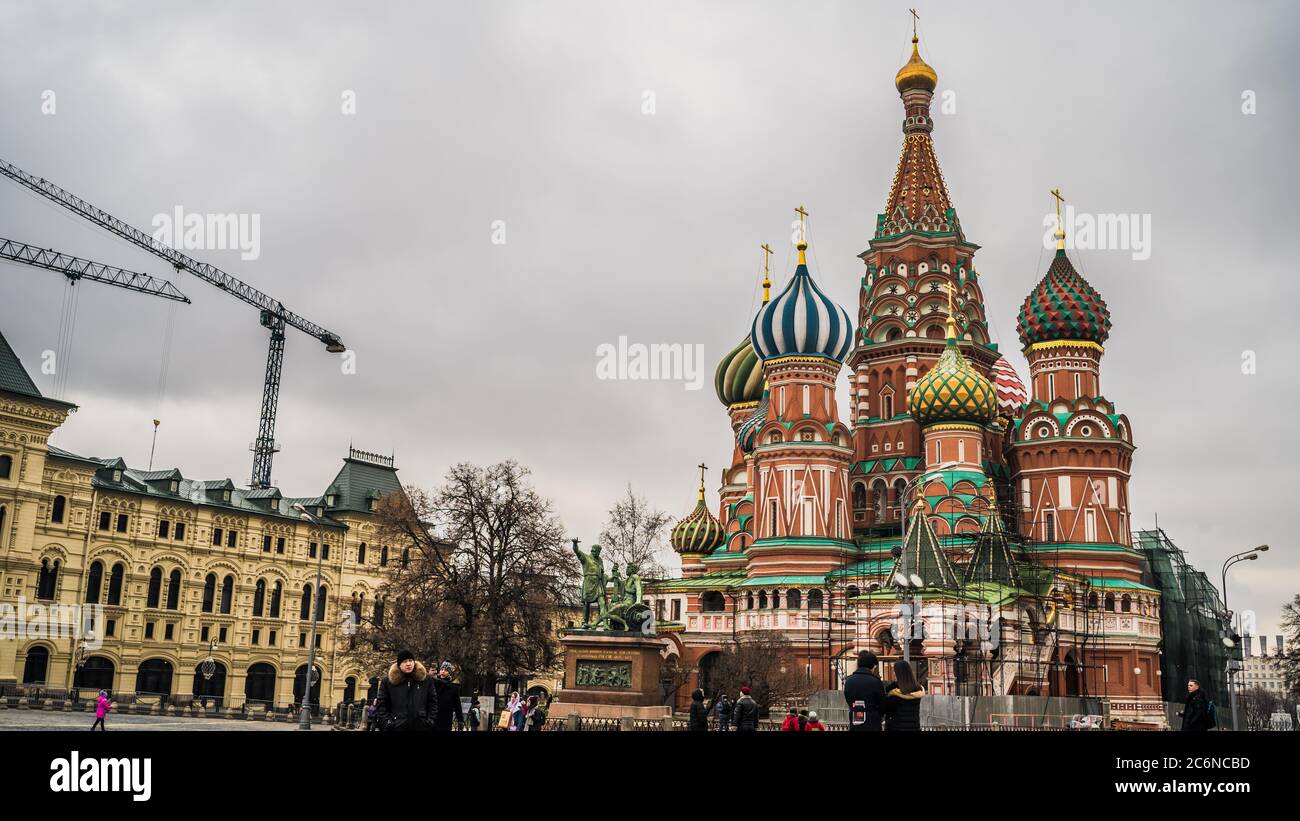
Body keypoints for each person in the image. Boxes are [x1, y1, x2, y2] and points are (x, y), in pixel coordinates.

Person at [374, 649, 438, 731]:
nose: (408, 664)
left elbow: (433, 702)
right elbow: (381, 704)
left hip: (421, 726)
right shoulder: (388, 681)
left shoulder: (426, 679)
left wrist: (430, 721)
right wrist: (387, 722)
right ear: (399, 664)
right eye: (404, 661)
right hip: (396, 727)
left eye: (410, 660)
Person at [843, 650, 886, 732]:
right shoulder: (876, 681)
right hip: (873, 722)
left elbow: (848, 700)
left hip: (855, 721)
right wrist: (877, 714)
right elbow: (882, 704)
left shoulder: (849, 680)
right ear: (872, 665)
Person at [884, 659, 925, 731]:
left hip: (896, 727)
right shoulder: (917, 689)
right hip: (914, 727)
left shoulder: (894, 691)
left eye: (894, 671)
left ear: (898, 673)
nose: (894, 673)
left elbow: (887, 710)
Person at [431, 661, 465, 731]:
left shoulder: (454, 688)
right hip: (433, 718)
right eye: (442, 669)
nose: (443, 671)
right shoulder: (433, 684)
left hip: (446, 720)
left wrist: (460, 720)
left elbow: (457, 705)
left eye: (446, 670)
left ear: (449, 673)